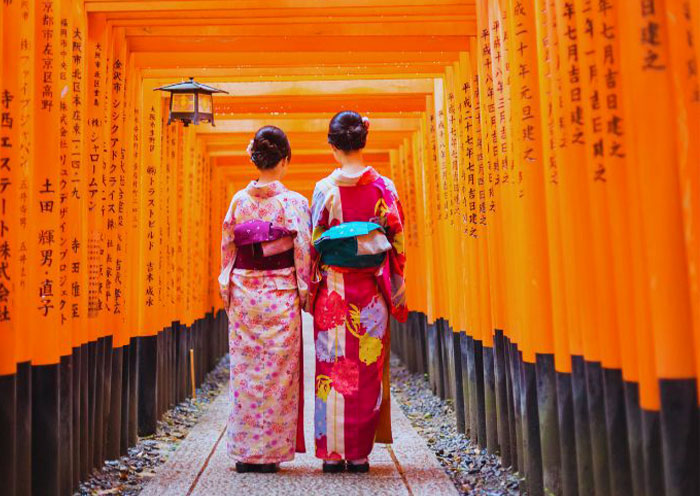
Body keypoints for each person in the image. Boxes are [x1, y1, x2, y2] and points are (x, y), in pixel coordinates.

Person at [309, 111, 408, 473]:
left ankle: (332, 453)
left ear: (333, 146)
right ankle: (360, 454)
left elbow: (315, 242)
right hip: (369, 295)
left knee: (332, 367)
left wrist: (311, 287)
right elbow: (396, 244)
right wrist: (395, 281)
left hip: (334, 291)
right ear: (364, 141)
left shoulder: (324, 190)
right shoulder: (385, 188)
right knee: (366, 369)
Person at [219, 126, 311, 474]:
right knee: (277, 374)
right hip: (279, 293)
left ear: (254, 158)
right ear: (285, 160)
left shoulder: (239, 202)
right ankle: (269, 453)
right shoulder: (295, 203)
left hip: (245, 292)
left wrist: (227, 288)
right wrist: (305, 293)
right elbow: (303, 251)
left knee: (245, 373)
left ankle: (246, 453)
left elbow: (228, 250)